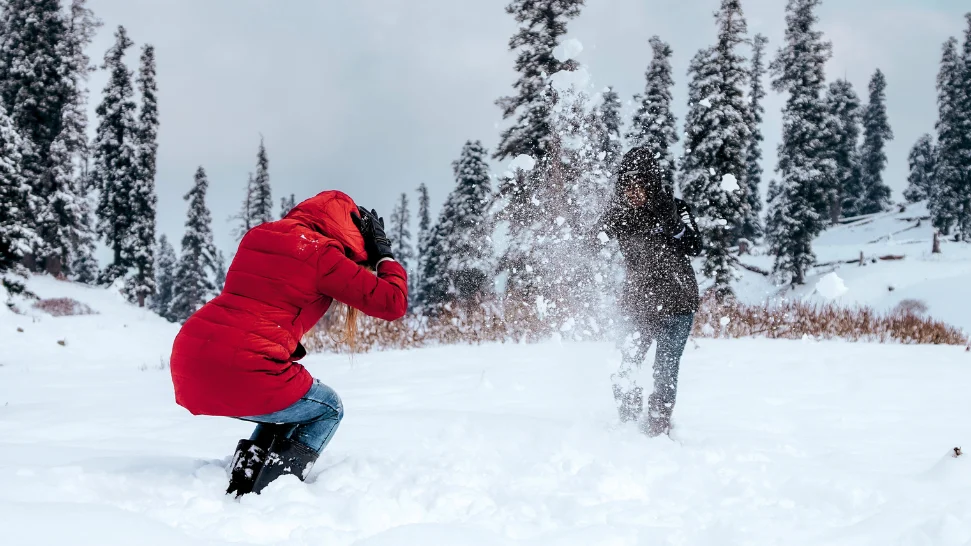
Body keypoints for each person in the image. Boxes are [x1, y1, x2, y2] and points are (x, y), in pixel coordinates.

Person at [169, 190, 408, 496]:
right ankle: (273, 488)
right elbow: (392, 303)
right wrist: (384, 255)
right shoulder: (322, 254)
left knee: (289, 404)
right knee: (328, 408)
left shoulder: (259, 235)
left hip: (191, 359)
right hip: (245, 366)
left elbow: (265, 298)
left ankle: (246, 473)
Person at [597, 147, 702, 437]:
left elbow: (695, 245)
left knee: (665, 370)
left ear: (651, 182)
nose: (633, 191)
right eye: (627, 184)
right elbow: (592, 242)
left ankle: (658, 427)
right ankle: (629, 426)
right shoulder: (620, 215)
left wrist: (672, 224)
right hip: (636, 304)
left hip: (678, 304)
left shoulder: (676, 208)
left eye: (638, 184)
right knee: (624, 366)